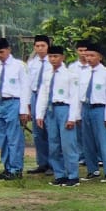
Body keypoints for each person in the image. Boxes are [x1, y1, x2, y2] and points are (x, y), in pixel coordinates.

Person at [0, 37, 29, 180]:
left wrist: (23, 110)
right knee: (2, 138)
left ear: (9, 49)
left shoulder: (19, 66)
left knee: (14, 137)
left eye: (1, 52)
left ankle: (16, 169)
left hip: (13, 102)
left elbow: (25, 88)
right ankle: (7, 167)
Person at [36, 44, 81, 187]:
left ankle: (73, 175)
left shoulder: (70, 75)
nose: (53, 59)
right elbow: (43, 94)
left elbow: (75, 97)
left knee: (68, 144)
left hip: (64, 108)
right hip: (51, 110)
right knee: (54, 144)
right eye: (50, 56)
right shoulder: (47, 74)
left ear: (62, 57)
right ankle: (60, 174)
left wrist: (72, 118)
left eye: (55, 56)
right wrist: (40, 114)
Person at [77, 45, 106, 181]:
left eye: (92, 55)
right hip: (86, 108)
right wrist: (78, 113)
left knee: (103, 141)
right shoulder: (83, 72)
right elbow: (79, 94)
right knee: (87, 141)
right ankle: (92, 170)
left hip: (99, 109)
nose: (89, 58)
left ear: (100, 57)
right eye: (87, 55)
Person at [26, 35, 54, 175]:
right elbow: (27, 83)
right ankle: (42, 163)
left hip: (48, 97)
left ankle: (53, 164)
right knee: (37, 132)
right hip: (34, 95)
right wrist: (27, 103)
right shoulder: (32, 63)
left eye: (43, 46)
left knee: (50, 130)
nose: (40, 48)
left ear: (48, 46)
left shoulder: (52, 62)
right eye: (37, 46)